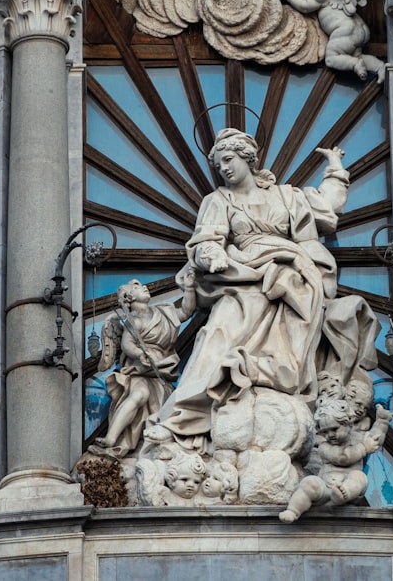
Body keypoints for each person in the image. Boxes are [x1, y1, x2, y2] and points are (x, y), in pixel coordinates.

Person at [148, 127, 358, 453]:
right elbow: (206, 240)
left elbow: (326, 211)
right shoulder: (217, 200)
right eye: (219, 166)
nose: (225, 169)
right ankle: (181, 419)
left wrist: (335, 170)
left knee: (286, 345)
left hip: (290, 277)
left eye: (229, 160)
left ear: (247, 157)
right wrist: (213, 255)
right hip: (240, 278)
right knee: (216, 333)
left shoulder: (288, 196)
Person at [89, 270, 196, 459]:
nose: (144, 286)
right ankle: (111, 439)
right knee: (140, 394)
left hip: (161, 372)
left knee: (161, 409)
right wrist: (140, 354)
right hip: (140, 370)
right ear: (128, 297)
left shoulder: (164, 312)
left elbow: (186, 311)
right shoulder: (133, 322)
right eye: (137, 286)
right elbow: (126, 344)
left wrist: (188, 288)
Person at [274, 0, 385, 82]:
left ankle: (354, 65)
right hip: (360, 30)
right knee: (357, 55)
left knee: (331, 58)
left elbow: (305, 6)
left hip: (344, 30)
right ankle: (380, 67)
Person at [278, 399, 393, 523]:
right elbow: (342, 458)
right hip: (326, 489)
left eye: (334, 429)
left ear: (348, 423)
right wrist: (364, 448)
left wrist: (382, 422)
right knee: (309, 483)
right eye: (325, 432)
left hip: (350, 491)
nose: (330, 435)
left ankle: (342, 495)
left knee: (359, 477)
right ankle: (293, 510)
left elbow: (376, 439)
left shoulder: (359, 438)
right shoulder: (324, 447)